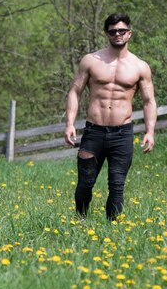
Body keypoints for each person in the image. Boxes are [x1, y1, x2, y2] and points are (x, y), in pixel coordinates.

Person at [64, 13, 157, 221]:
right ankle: (80, 222)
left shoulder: (140, 66)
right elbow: (74, 91)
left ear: (129, 34)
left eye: (122, 31)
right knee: (85, 184)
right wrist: (70, 123)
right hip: (93, 132)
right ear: (107, 33)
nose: (118, 34)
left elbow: (149, 101)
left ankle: (112, 230)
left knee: (117, 185)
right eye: (113, 31)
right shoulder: (90, 61)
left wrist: (150, 132)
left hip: (122, 134)